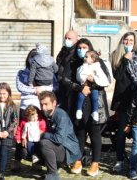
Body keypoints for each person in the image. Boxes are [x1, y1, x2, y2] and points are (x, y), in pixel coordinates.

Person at [59, 38, 110, 177]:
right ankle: (78, 159)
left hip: (95, 102)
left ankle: (95, 162)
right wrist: (79, 88)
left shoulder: (99, 63)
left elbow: (107, 80)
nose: (82, 50)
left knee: (95, 133)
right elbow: (64, 79)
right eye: (80, 47)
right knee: (79, 132)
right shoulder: (72, 61)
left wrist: (92, 85)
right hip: (78, 101)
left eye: (85, 47)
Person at [108, 31, 137, 174]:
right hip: (123, 99)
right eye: (126, 40)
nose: (128, 43)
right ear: (122, 41)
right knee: (122, 132)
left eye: (131, 40)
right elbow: (118, 76)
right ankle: (120, 160)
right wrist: (124, 60)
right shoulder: (116, 55)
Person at [37, 91, 80, 180]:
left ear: (54, 103)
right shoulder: (47, 114)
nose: (43, 108)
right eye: (42, 105)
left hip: (69, 150)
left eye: (46, 104)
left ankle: (53, 174)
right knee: (32, 144)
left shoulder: (61, 116)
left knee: (44, 143)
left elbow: (59, 139)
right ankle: (52, 167)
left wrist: (43, 134)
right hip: (59, 146)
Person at [75, 50, 110, 121]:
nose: (84, 58)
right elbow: (80, 75)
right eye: (85, 56)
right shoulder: (83, 66)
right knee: (80, 96)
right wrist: (85, 76)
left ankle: (95, 111)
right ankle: (79, 110)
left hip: (94, 86)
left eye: (86, 57)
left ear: (93, 59)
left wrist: (94, 79)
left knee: (95, 97)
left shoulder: (97, 66)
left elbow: (101, 77)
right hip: (85, 86)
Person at [55, 30, 79, 111]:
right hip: (61, 85)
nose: (67, 40)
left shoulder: (77, 51)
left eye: (69, 38)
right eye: (65, 38)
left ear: (76, 39)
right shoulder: (64, 50)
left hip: (71, 86)